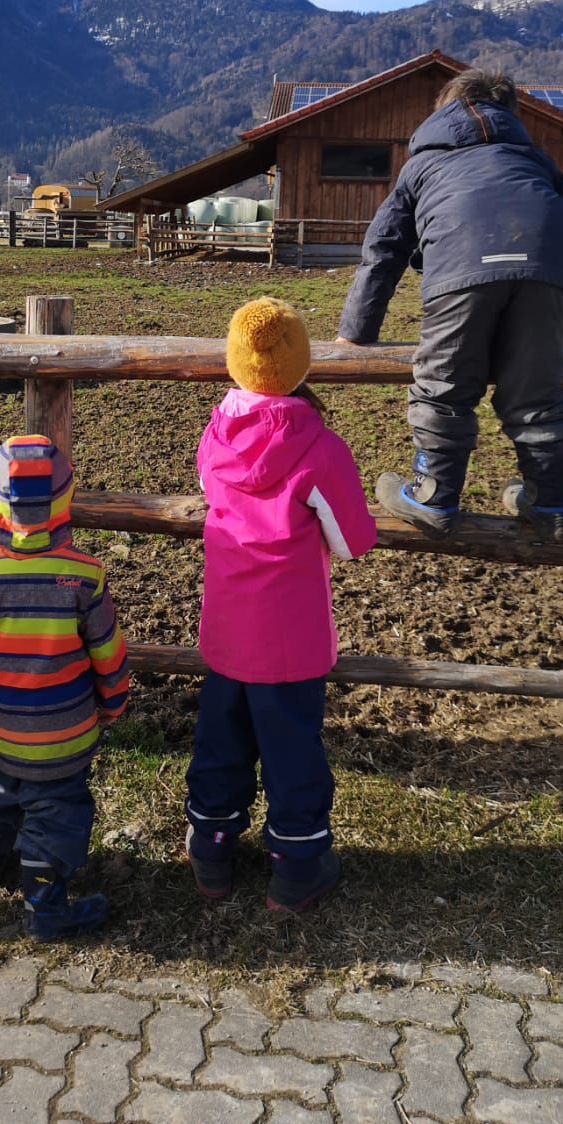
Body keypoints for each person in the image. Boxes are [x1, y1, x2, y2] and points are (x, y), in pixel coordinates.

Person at [337, 69, 563, 544]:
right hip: (547, 273)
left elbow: (384, 248)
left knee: (444, 388)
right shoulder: (536, 161)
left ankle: (433, 498)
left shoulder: (424, 163)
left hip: (460, 271)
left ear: (445, 110)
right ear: (509, 114)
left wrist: (356, 330)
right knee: (537, 396)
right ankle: (550, 505)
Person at [187, 298, 376, 914]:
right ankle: (297, 866)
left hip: (226, 629)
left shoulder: (215, 436)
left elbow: (212, 490)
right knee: (292, 749)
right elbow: (353, 542)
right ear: (300, 363)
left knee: (220, 741)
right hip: (291, 639)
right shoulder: (320, 448)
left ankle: (212, 849)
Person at [0, 433, 129, 940]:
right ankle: (46, 906)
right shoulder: (85, 576)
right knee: (57, 815)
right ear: (62, 502)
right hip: (65, 738)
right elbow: (107, 652)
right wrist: (113, 702)